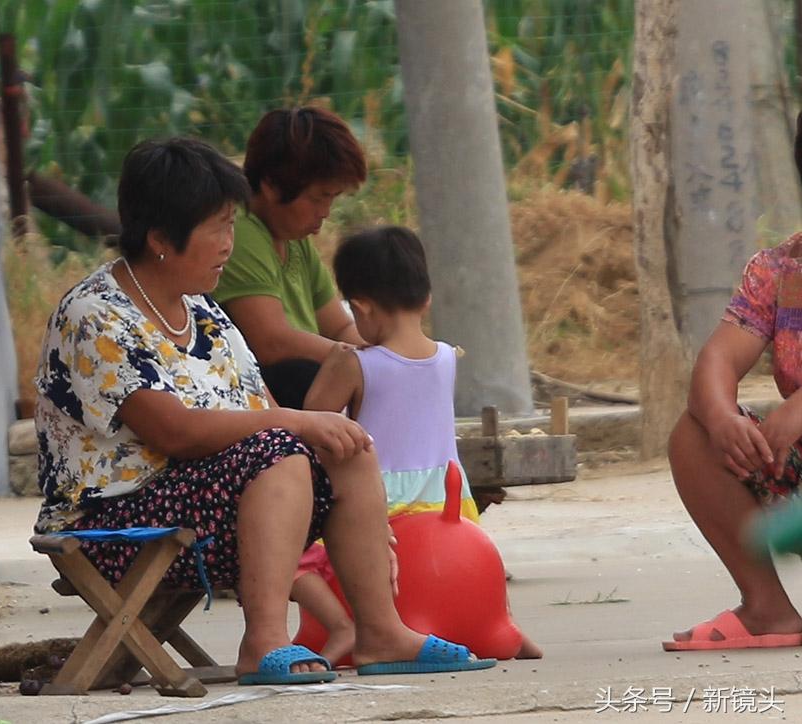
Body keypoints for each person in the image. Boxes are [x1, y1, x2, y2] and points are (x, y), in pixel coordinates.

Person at [32, 137, 496, 684]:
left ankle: (381, 633)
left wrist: (344, 479)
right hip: (118, 522)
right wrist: (299, 422)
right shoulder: (96, 314)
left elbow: (262, 408)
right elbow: (175, 432)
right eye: (219, 228)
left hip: (210, 510)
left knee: (343, 445)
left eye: (233, 225)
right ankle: (264, 640)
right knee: (280, 448)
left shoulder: (204, 313)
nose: (230, 244)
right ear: (160, 238)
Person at [292, 225, 541, 661]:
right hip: (447, 496)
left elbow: (317, 422)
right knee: (467, 567)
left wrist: (334, 360)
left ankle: (343, 627)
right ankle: (505, 629)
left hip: (379, 503)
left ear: (361, 307)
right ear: (425, 298)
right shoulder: (446, 356)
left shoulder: (356, 364)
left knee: (302, 562)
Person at [663, 111, 802, 652]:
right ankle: (769, 608)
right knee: (695, 433)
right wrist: (722, 419)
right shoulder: (779, 270)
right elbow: (715, 365)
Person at [212, 106, 367, 409]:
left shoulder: (293, 239)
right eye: (317, 198)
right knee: (301, 375)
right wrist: (355, 360)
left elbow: (339, 328)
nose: (325, 212)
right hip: (263, 397)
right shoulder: (240, 231)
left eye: (332, 199)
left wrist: (387, 355)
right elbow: (272, 342)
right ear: (271, 186)